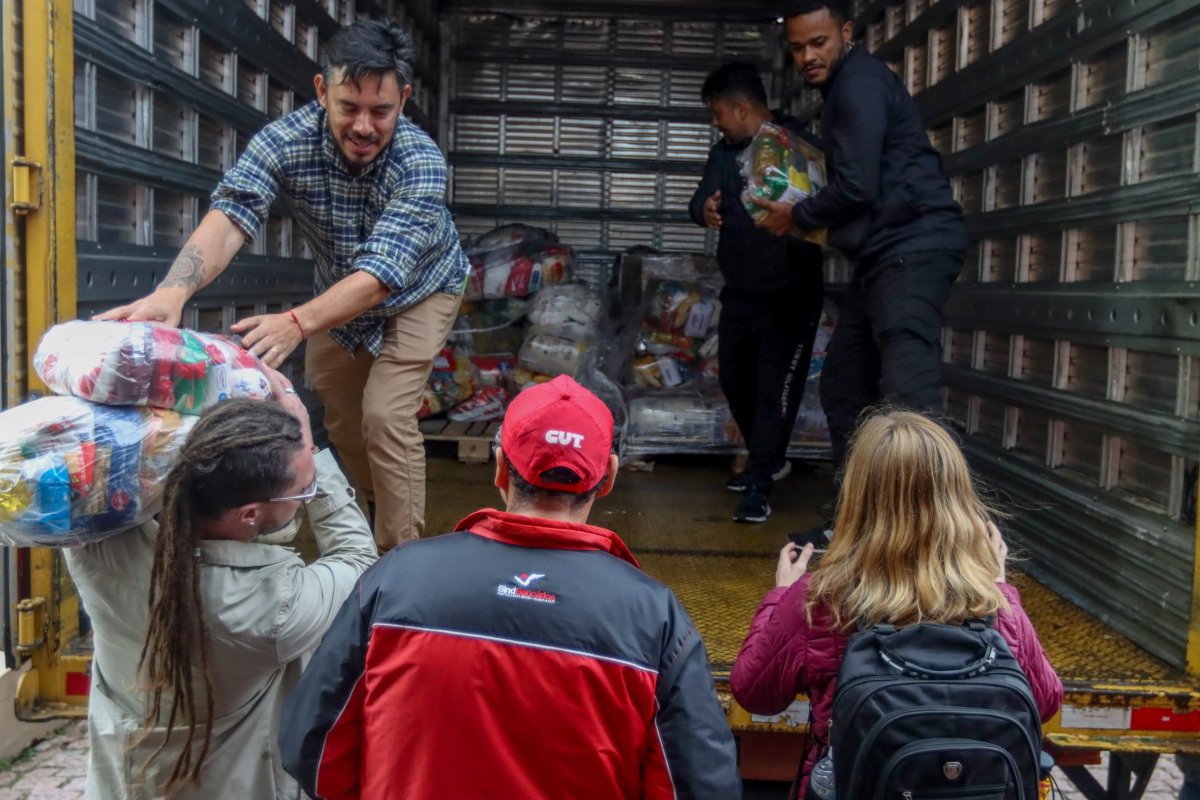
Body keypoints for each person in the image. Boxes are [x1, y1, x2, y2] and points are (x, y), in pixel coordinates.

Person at [96, 20, 469, 550]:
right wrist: (173, 291)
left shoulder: (420, 162)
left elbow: (383, 275)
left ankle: (397, 560)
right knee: (341, 415)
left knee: (385, 414)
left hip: (421, 289)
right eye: (348, 107)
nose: (364, 126)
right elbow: (232, 215)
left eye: (380, 111)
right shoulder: (284, 141)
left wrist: (297, 321)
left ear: (404, 100)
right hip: (338, 292)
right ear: (322, 91)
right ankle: (377, 500)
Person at [279, 375, 741, 799]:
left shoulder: (396, 578)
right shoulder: (653, 616)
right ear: (608, 479)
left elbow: (313, 752)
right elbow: (701, 787)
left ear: (500, 468)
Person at [64, 377, 377, 799]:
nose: (309, 494)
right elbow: (358, 561)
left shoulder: (99, 543)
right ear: (249, 514)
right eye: (305, 490)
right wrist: (313, 447)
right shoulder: (276, 611)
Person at [730, 410, 1062, 798]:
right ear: (957, 498)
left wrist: (779, 596)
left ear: (855, 498)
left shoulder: (819, 599)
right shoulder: (993, 603)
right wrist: (1001, 589)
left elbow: (754, 693)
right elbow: (1046, 702)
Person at [752, 0, 967, 474]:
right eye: (797, 48)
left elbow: (857, 187)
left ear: (846, 33)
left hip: (913, 247)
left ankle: (930, 531)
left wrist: (797, 215)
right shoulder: (845, 87)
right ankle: (853, 522)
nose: (807, 55)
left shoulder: (859, 85)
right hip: (882, 255)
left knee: (911, 399)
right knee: (846, 388)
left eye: (819, 42)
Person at [689, 62, 825, 525]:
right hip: (742, 292)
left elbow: (824, 205)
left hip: (791, 293)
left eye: (717, 112)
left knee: (775, 390)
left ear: (741, 107)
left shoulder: (796, 146)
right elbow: (698, 200)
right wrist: (703, 208)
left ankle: (761, 481)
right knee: (735, 380)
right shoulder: (722, 154)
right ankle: (770, 460)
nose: (715, 121)